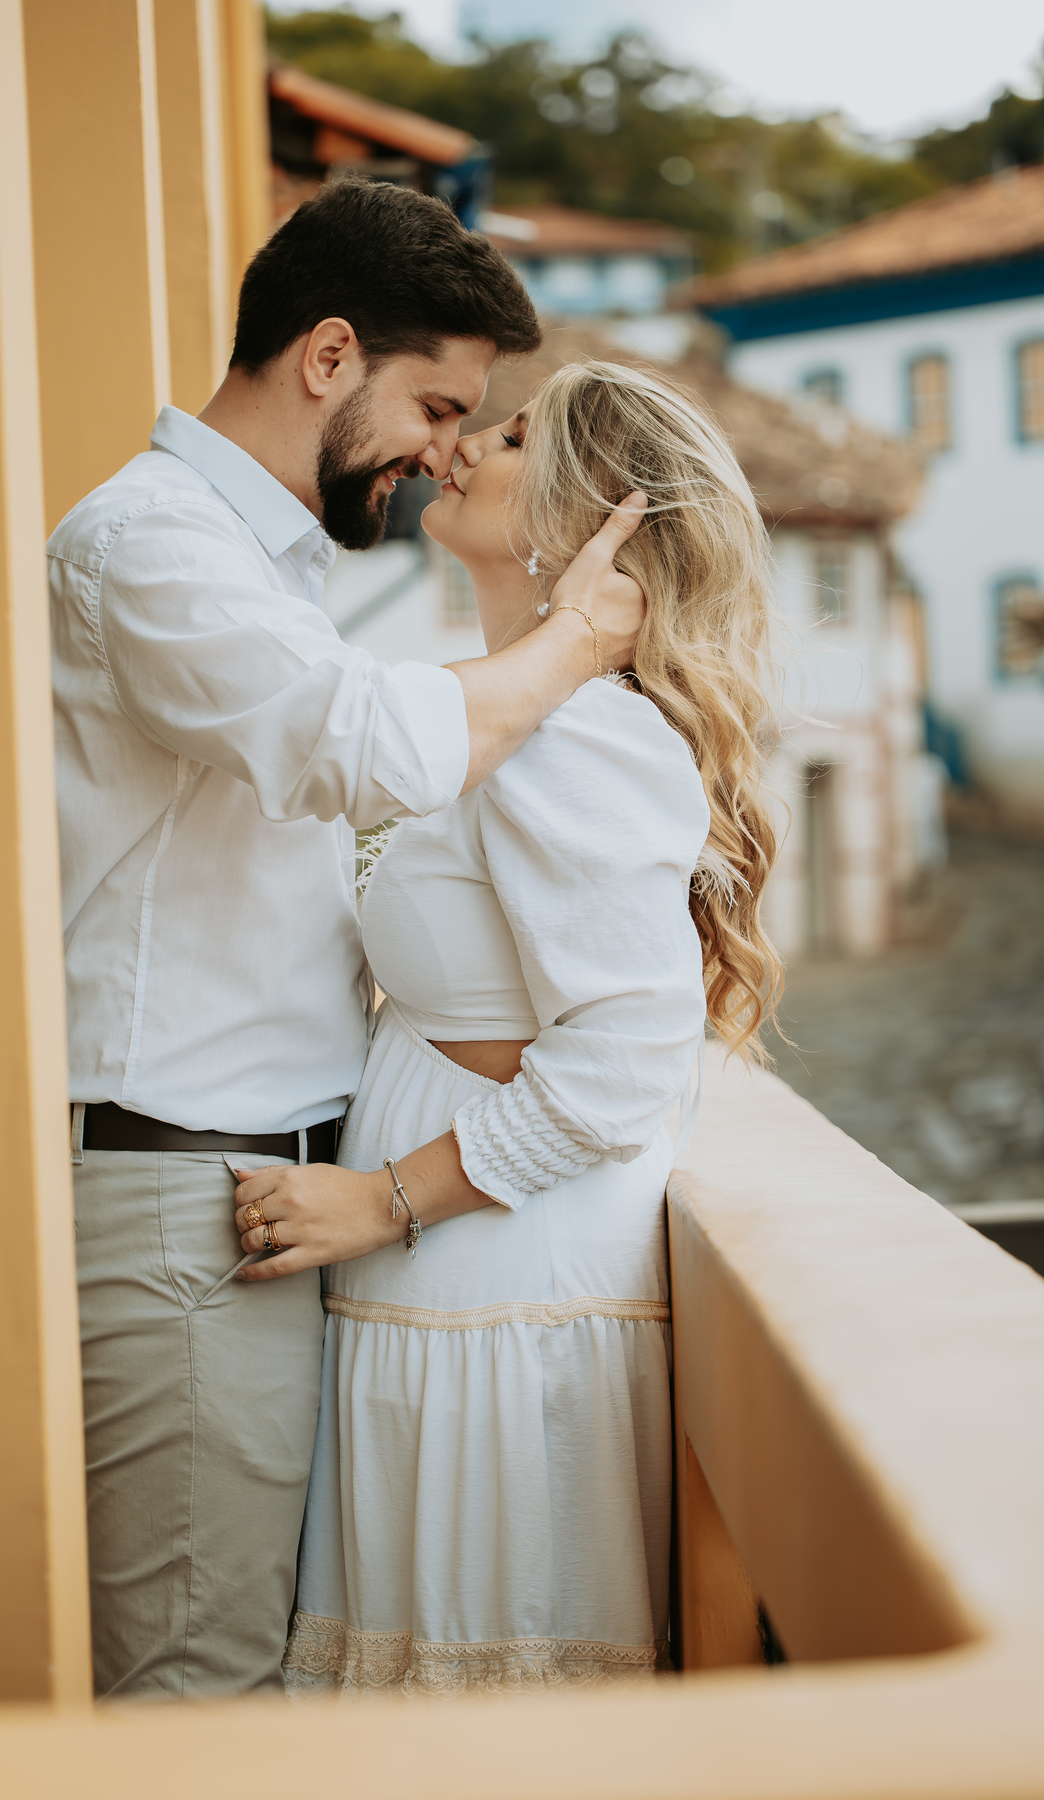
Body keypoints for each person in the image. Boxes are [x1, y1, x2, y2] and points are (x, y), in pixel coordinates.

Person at [51, 181, 646, 1699]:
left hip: (269, 1195)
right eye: (439, 403)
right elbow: (356, 741)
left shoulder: (276, 562)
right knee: (202, 1683)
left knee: (250, 1666)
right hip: (193, 1190)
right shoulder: (150, 543)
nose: (447, 448)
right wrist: (578, 641)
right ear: (328, 356)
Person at [232, 359, 783, 1693]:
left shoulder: (579, 737)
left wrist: (384, 1202)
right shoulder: (508, 715)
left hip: (503, 1295)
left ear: (602, 517)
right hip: (455, 1292)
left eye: (521, 435)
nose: (468, 443)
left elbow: (623, 1061)